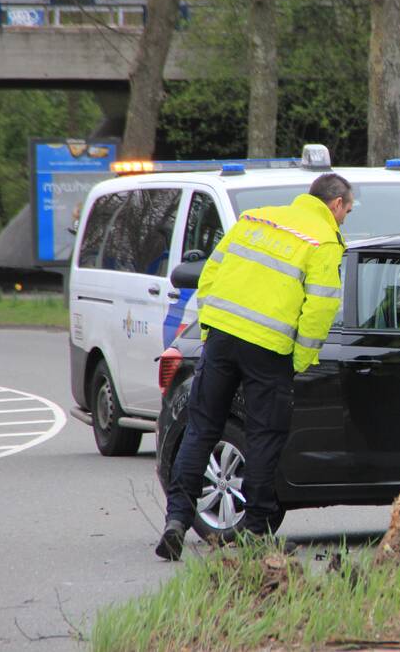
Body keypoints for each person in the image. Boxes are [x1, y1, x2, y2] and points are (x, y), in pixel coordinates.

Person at [156, 172, 353, 560]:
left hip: (223, 340)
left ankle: (176, 520)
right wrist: (299, 359)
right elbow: (321, 306)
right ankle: (256, 529)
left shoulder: (255, 219)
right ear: (334, 205)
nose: (346, 217)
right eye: (347, 209)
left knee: (201, 428)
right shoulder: (324, 240)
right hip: (269, 350)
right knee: (265, 435)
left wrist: (212, 327)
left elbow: (210, 275)